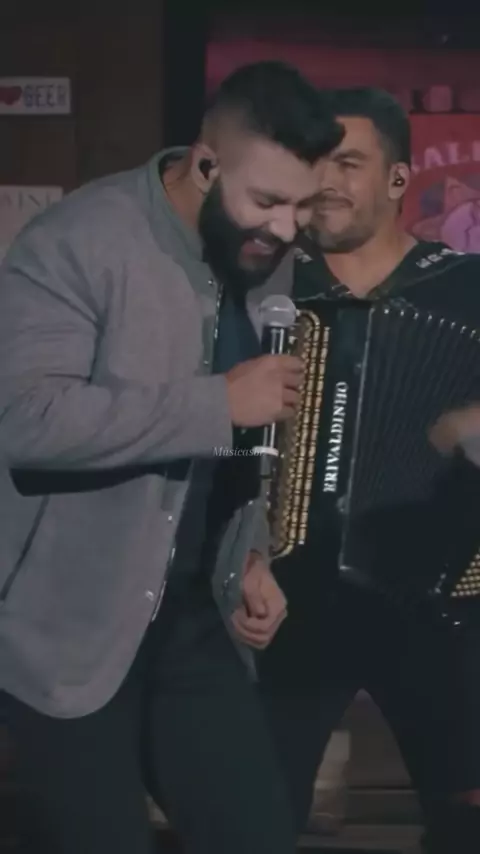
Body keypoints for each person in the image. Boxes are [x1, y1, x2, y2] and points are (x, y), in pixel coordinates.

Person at [0, 61, 344, 854]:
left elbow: (241, 453)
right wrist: (216, 403)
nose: (286, 229)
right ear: (207, 163)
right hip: (66, 631)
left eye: (302, 206)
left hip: (190, 621)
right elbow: (24, 419)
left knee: (256, 835)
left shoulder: (263, 255)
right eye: (268, 201)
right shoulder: (80, 241)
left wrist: (251, 554)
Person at [233, 87, 480, 854]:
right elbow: (214, 442)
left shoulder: (467, 286)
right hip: (288, 601)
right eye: (313, 163)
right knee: (251, 823)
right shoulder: (266, 290)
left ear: (399, 179)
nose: (326, 182)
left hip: (447, 607)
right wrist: (240, 554)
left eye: (348, 162)